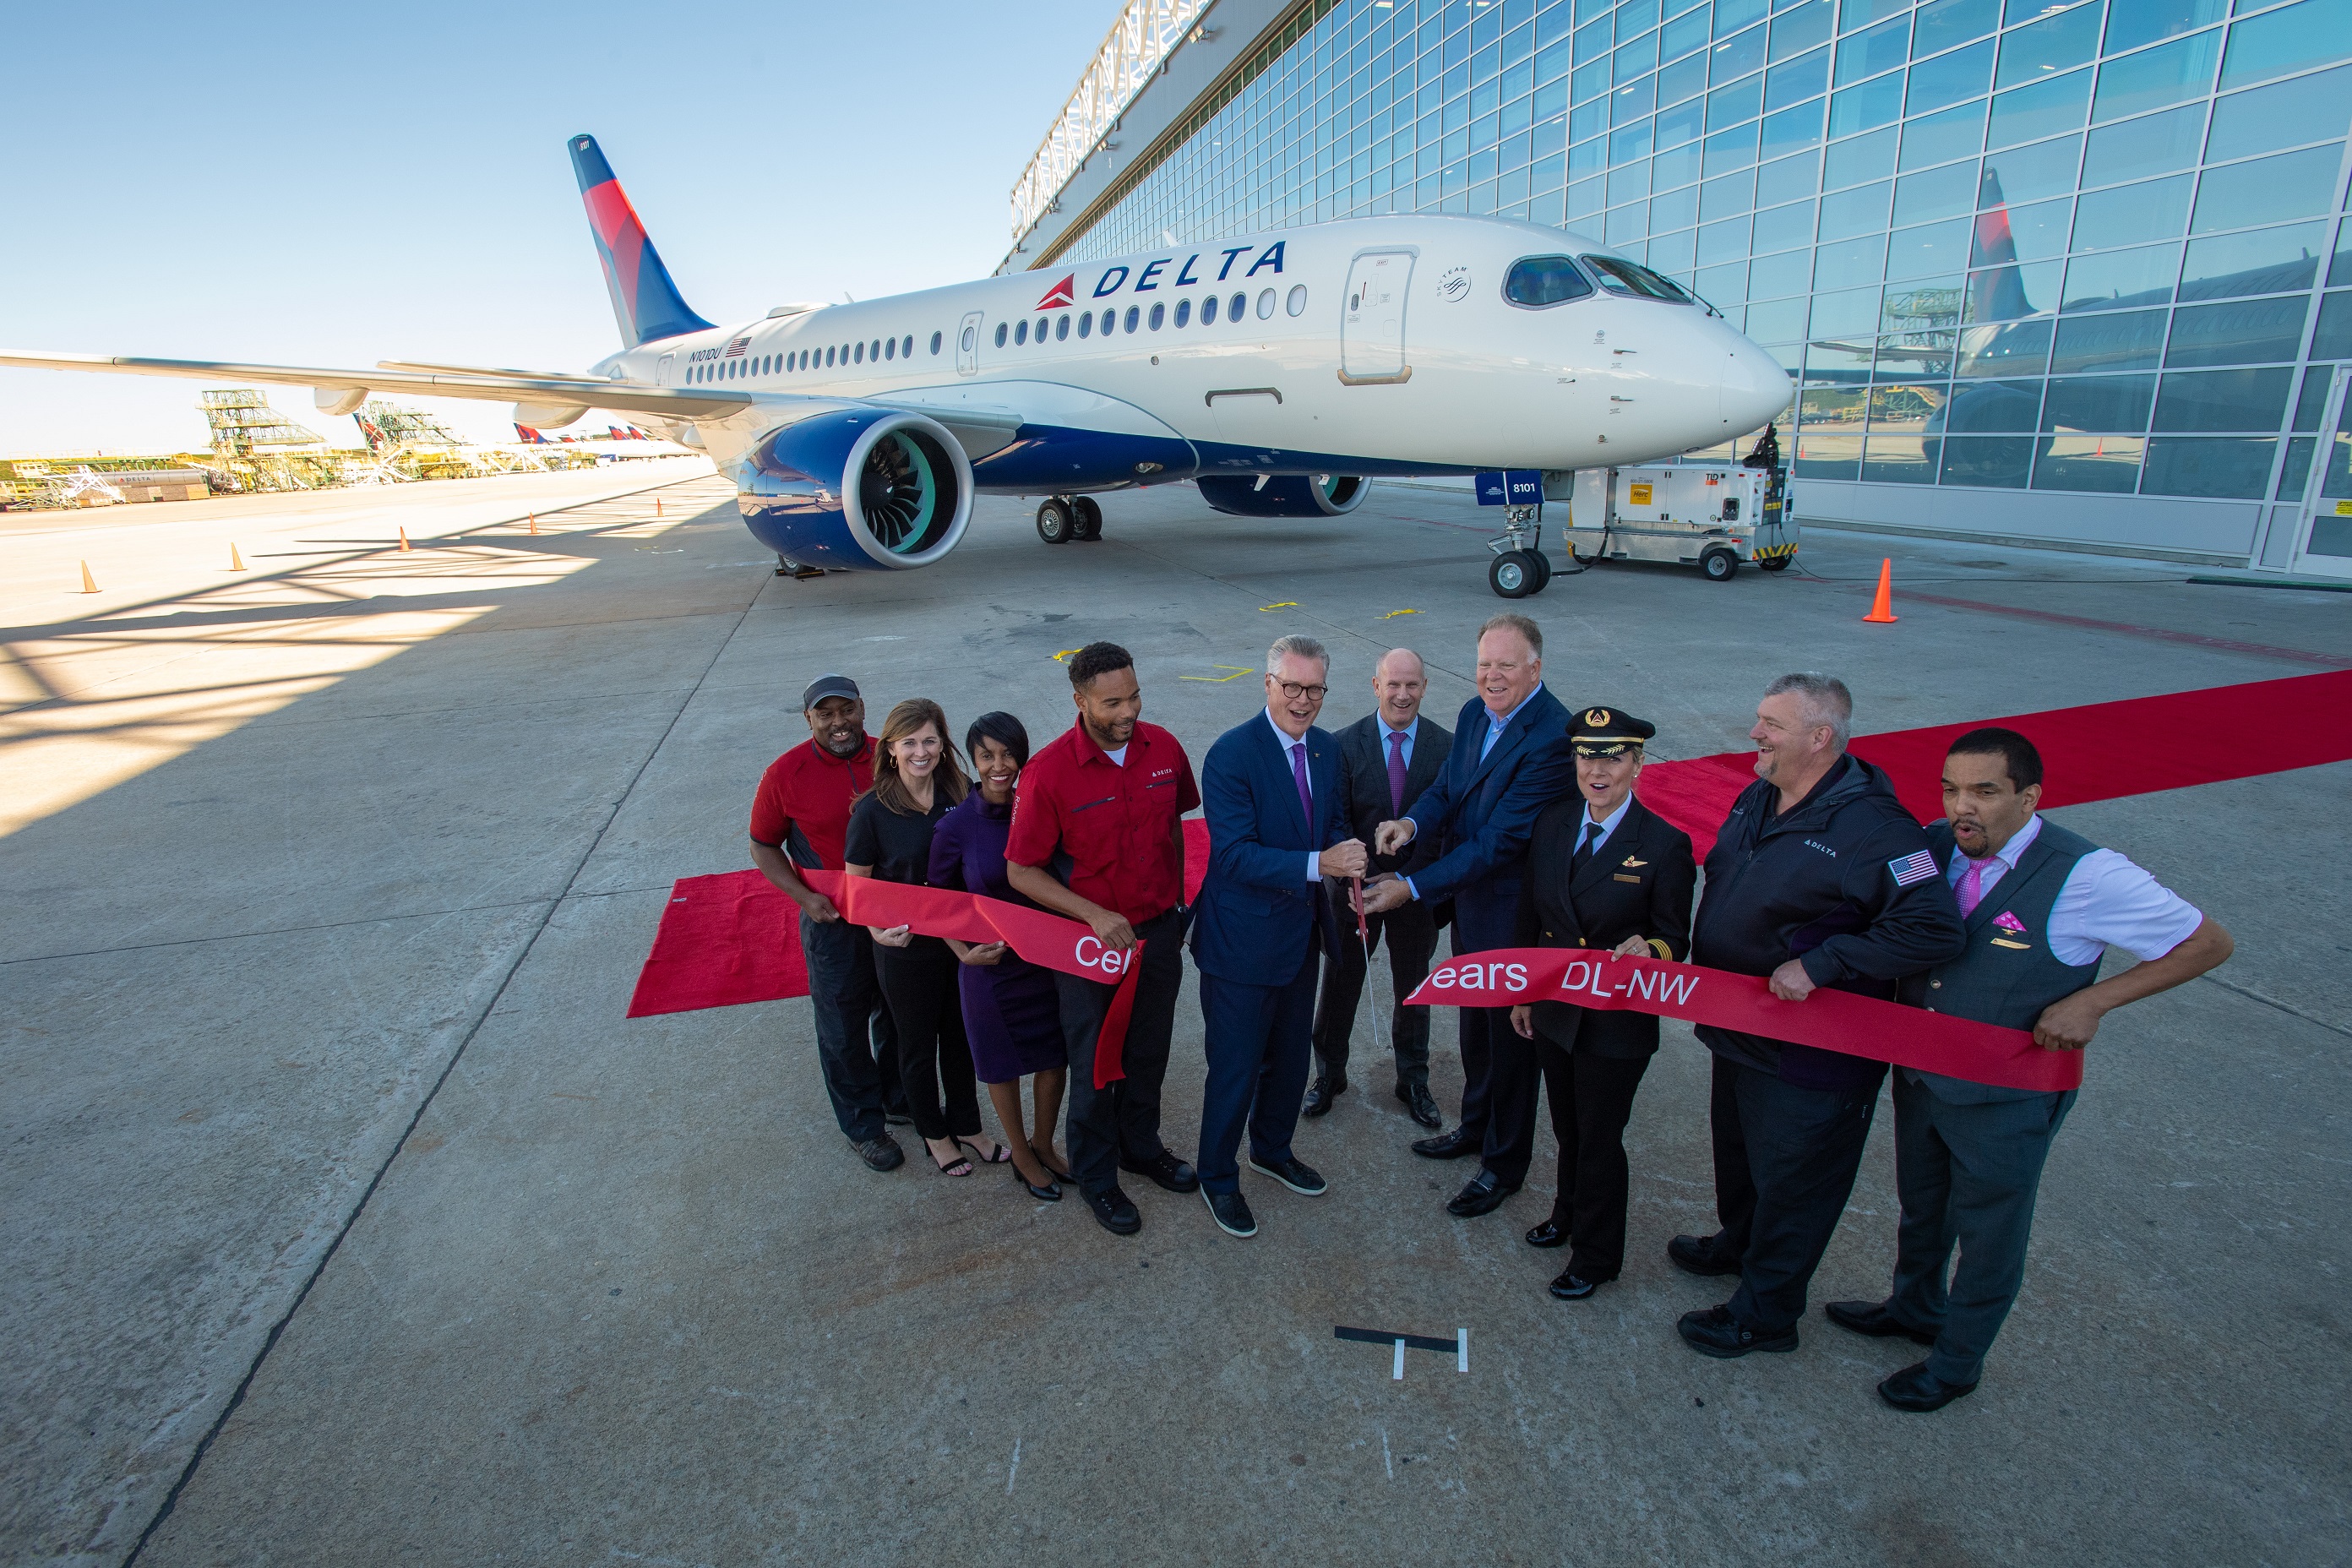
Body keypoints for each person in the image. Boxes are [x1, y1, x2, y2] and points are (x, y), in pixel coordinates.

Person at [1826, 728, 2231, 1411]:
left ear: (2029, 797)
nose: (1963, 807)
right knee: (1924, 1206)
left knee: (1990, 1231)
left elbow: (2208, 944)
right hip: (1922, 1073)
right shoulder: (1933, 846)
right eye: (1952, 789)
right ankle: (1914, 1307)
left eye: (1984, 792)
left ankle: (1956, 1364)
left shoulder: (2089, 874)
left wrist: (2094, 1001)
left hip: (2006, 1094)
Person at [1671, 672, 1966, 1359]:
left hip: (1812, 1051)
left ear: (1819, 737)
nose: (1754, 733)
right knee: (1740, 1155)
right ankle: (1741, 1244)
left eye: (1770, 724)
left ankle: (1767, 1315)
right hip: (1740, 1025)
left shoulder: (1880, 831)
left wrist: (1825, 962)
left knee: (1796, 1181)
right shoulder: (1761, 793)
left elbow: (1934, 929)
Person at [1363, 612, 1571, 1219]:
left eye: (1506, 665)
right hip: (1474, 908)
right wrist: (1412, 822)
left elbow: (1498, 842)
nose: (1491, 676)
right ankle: (1476, 1128)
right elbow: (1448, 790)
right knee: (1476, 1032)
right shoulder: (1476, 713)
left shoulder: (1551, 737)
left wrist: (1412, 886)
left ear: (1535, 668)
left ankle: (1503, 1165)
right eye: (1484, 664)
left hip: (1515, 915)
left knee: (1511, 1045)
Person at [1006, 642, 1202, 1237]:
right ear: (1080, 701)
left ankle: (1140, 1147)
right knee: (1096, 1062)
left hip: (1158, 933)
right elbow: (1021, 870)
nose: (1129, 711)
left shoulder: (1164, 748)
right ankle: (1096, 1174)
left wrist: (1176, 904)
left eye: (1134, 696)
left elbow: (1174, 826)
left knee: (1149, 1050)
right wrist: (1093, 915)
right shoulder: (1048, 773)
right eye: (1112, 702)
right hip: (1090, 947)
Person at [1507, 707, 1695, 1300]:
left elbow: (1676, 938)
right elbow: (1532, 915)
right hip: (1557, 1009)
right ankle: (1566, 1215)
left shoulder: (1664, 845)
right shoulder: (1555, 823)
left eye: (1613, 758)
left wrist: (1651, 950)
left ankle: (1596, 1255)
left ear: (1638, 764)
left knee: (1599, 1138)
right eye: (1587, 756)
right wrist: (1526, 992)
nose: (1597, 770)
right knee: (1567, 1127)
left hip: (1616, 1023)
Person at [1188, 636, 1369, 1238]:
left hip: (1300, 939)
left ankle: (1271, 1150)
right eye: (1291, 686)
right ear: (1267, 684)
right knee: (1235, 1068)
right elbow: (1234, 855)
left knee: (1290, 1061)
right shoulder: (1231, 754)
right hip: (1241, 945)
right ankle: (1218, 1176)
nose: (1303, 700)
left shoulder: (1325, 748)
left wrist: (1350, 862)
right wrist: (1322, 863)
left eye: (1315, 689)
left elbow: (1333, 822)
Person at [749, 674, 909, 1173]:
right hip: (832, 918)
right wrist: (804, 897)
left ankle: (898, 1097)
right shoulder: (785, 774)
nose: (839, 723)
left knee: (899, 1012)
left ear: (863, 708)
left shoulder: (894, 755)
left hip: (895, 910)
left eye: (847, 710)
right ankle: (863, 1126)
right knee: (842, 1025)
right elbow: (763, 844)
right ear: (809, 719)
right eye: (826, 714)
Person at [844, 699, 1000, 1179]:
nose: (921, 751)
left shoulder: (961, 792)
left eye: (930, 740)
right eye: (909, 742)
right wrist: (875, 930)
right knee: (916, 1045)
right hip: (907, 951)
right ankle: (934, 1133)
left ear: (943, 744)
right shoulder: (872, 811)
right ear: (890, 749)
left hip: (960, 944)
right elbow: (856, 888)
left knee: (960, 1038)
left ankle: (968, 1126)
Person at [1306, 647, 1453, 1129]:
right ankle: (1329, 1074)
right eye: (1393, 684)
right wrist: (1356, 875)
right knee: (1340, 984)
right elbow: (1334, 820)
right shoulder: (1344, 745)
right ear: (1376, 686)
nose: (1402, 694)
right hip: (1355, 893)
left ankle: (1413, 1079)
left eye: (1412, 685)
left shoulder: (1447, 747)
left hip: (1415, 893)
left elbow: (1448, 826)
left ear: (1425, 687)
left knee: (1415, 988)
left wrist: (1408, 880)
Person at [928, 712, 1071, 1203]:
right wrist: (963, 954)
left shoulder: (1040, 809)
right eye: (987, 755)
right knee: (1001, 1065)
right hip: (990, 970)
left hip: (1045, 960)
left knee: (1055, 1058)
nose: (999, 765)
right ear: (972, 760)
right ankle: (1022, 1154)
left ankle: (1044, 1143)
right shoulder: (955, 828)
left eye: (1009, 754)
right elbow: (938, 901)